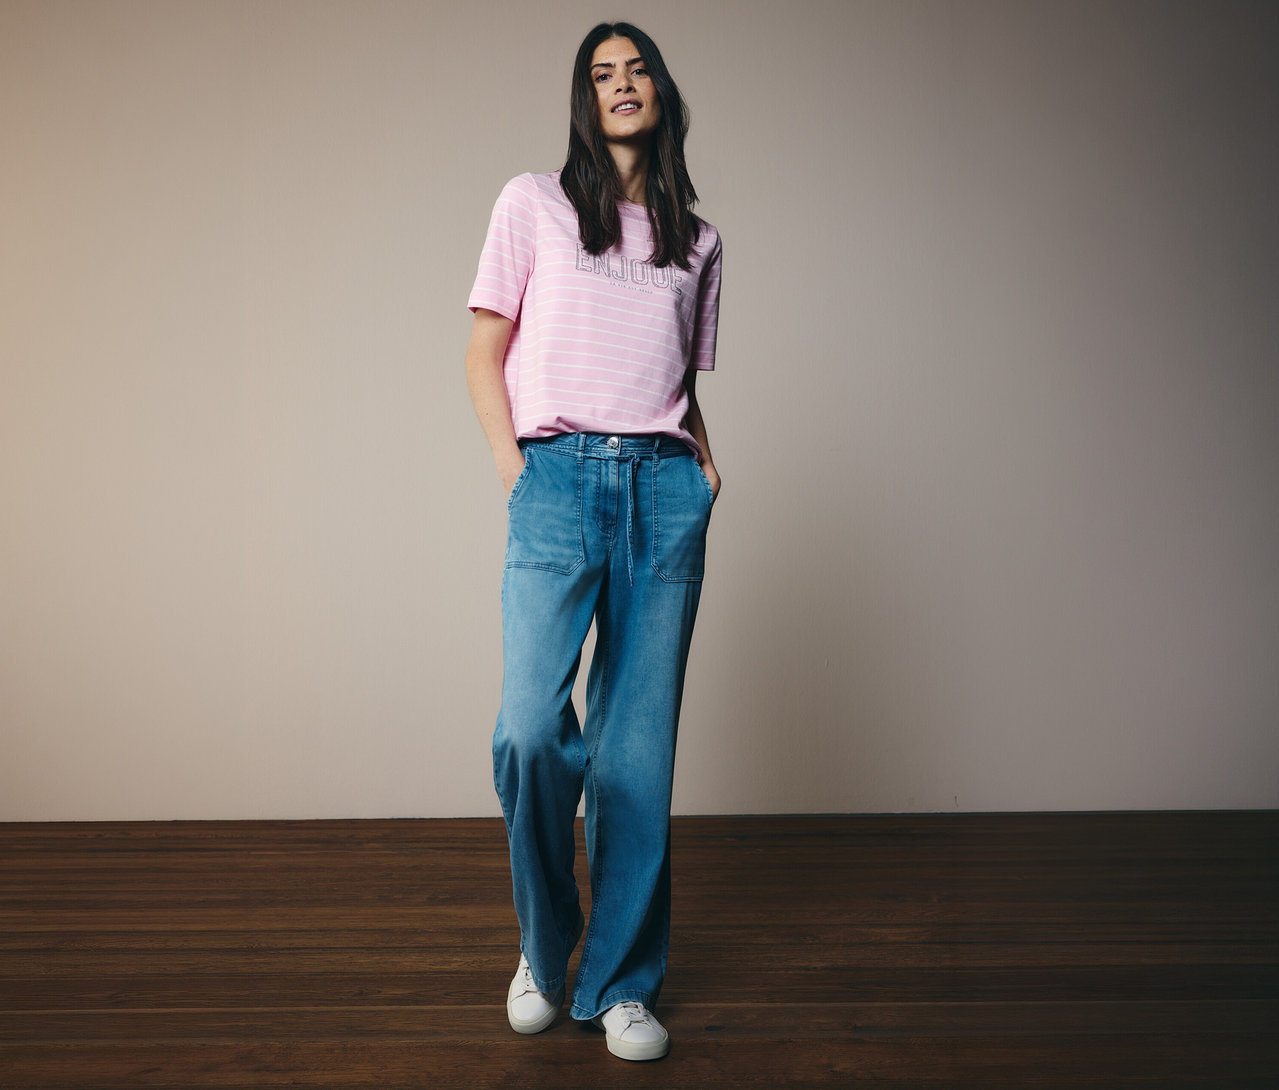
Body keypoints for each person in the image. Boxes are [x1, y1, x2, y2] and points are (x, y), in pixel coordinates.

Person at [464, 21, 722, 1063]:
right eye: (602, 74)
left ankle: (620, 979)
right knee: (531, 728)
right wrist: (517, 471)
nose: (622, 85)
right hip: (557, 477)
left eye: (638, 70)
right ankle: (541, 941)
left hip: (664, 488)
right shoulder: (532, 204)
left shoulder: (697, 240)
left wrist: (705, 467)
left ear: (661, 92)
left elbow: (679, 382)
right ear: (584, 98)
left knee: (635, 752)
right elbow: (484, 350)